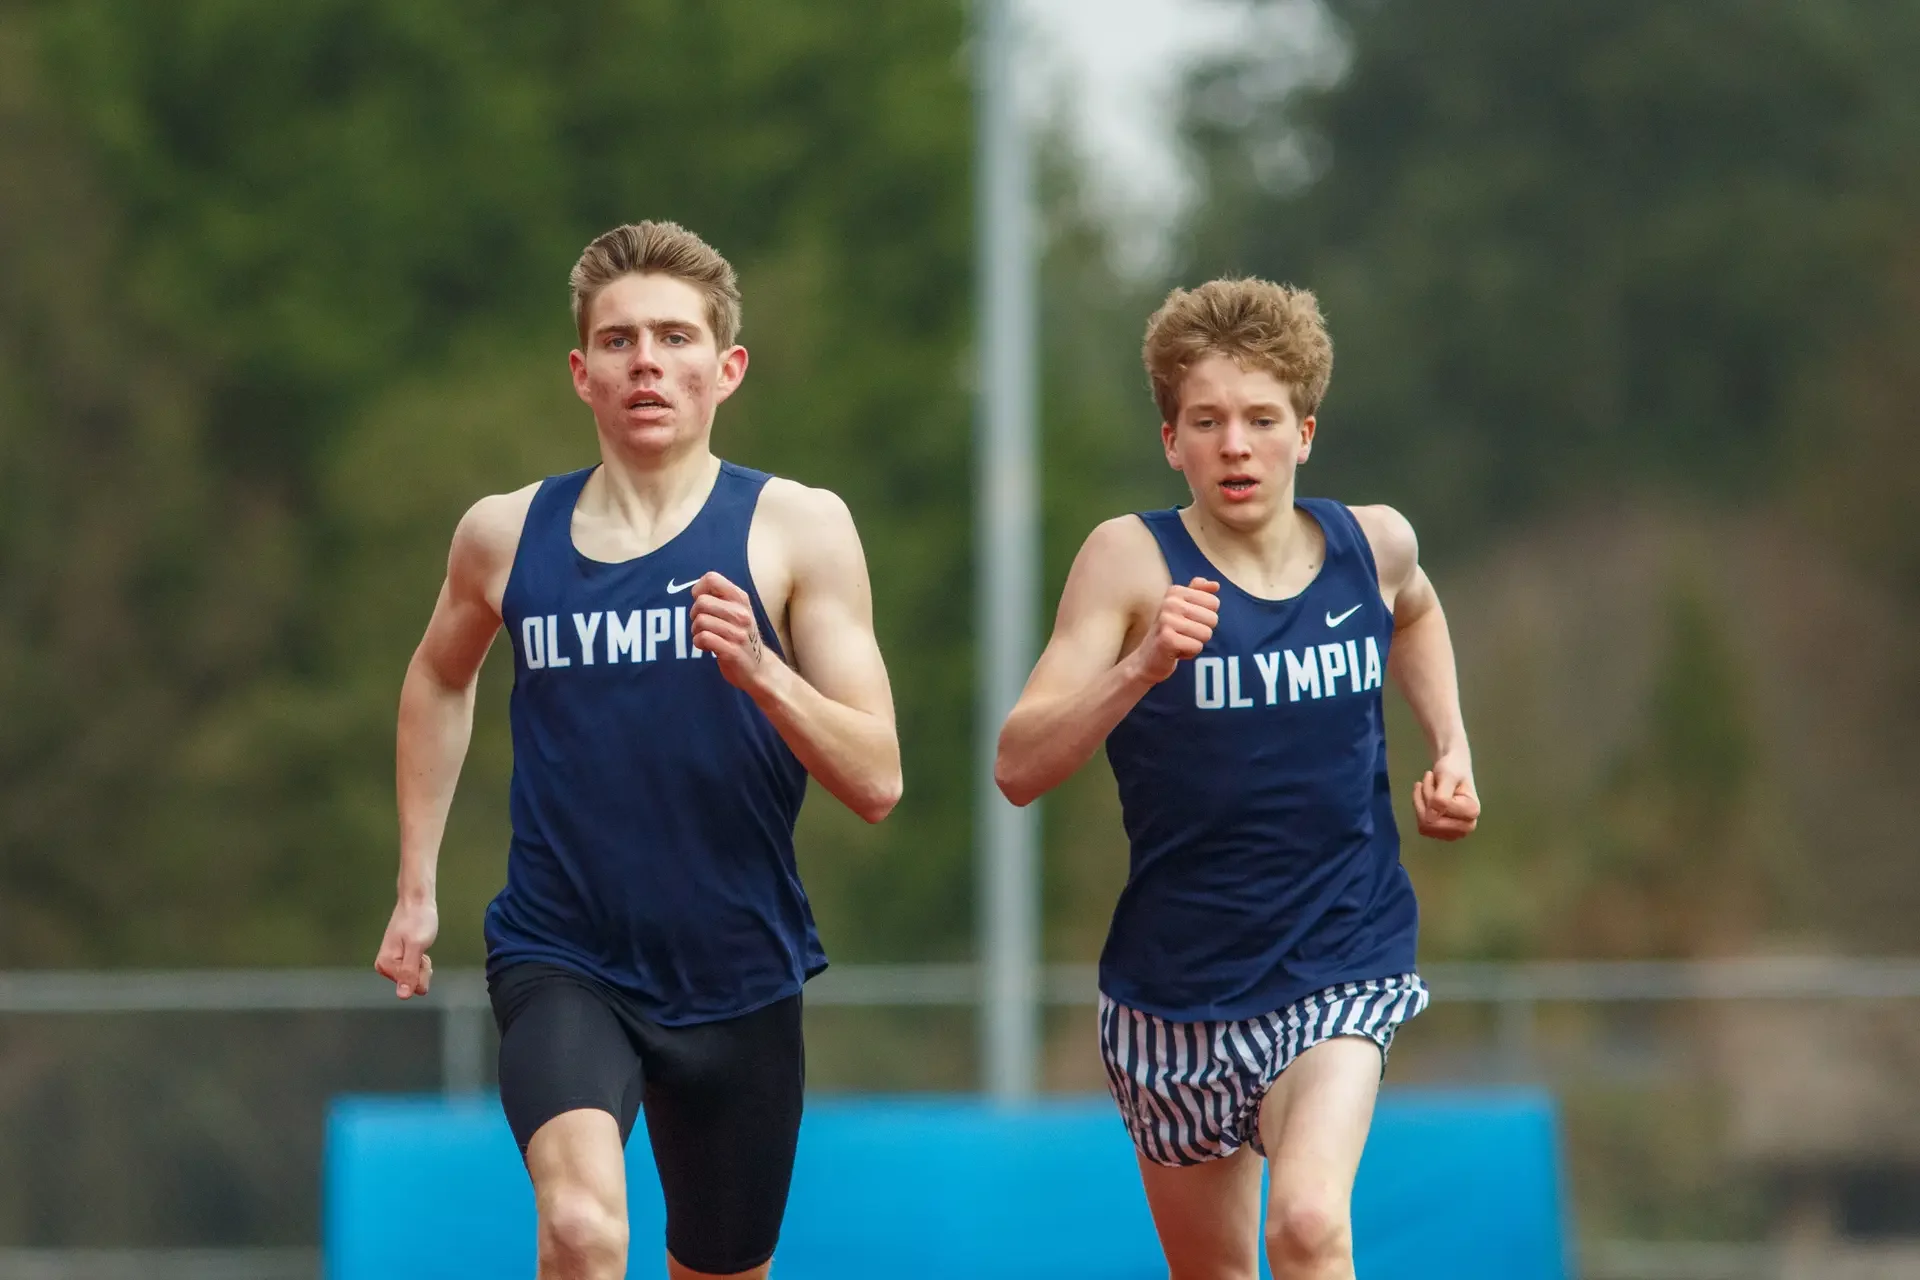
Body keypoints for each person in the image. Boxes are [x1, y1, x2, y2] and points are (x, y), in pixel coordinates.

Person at [373, 220, 902, 1280]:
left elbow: (878, 776)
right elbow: (439, 671)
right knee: (581, 1226)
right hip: (563, 950)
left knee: (718, 1266)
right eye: (619, 341)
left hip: (738, 968)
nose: (647, 362)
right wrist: (416, 881)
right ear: (582, 372)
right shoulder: (505, 534)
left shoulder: (797, 529)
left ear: (726, 367)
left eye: (674, 338)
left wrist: (764, 671)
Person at [995, 278, 1479, 1280]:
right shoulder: (1129, 561)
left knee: (1306, 1223)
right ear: (1172, 440)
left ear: (1306, 431)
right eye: (1206, 421)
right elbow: (1019, 762)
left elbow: (1417, 609)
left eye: (1261, 419)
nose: (1235, 445)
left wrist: (1451, 744)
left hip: (1342, 954)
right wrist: (1140, 667)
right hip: (1175, 990)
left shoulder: (1371, 544)